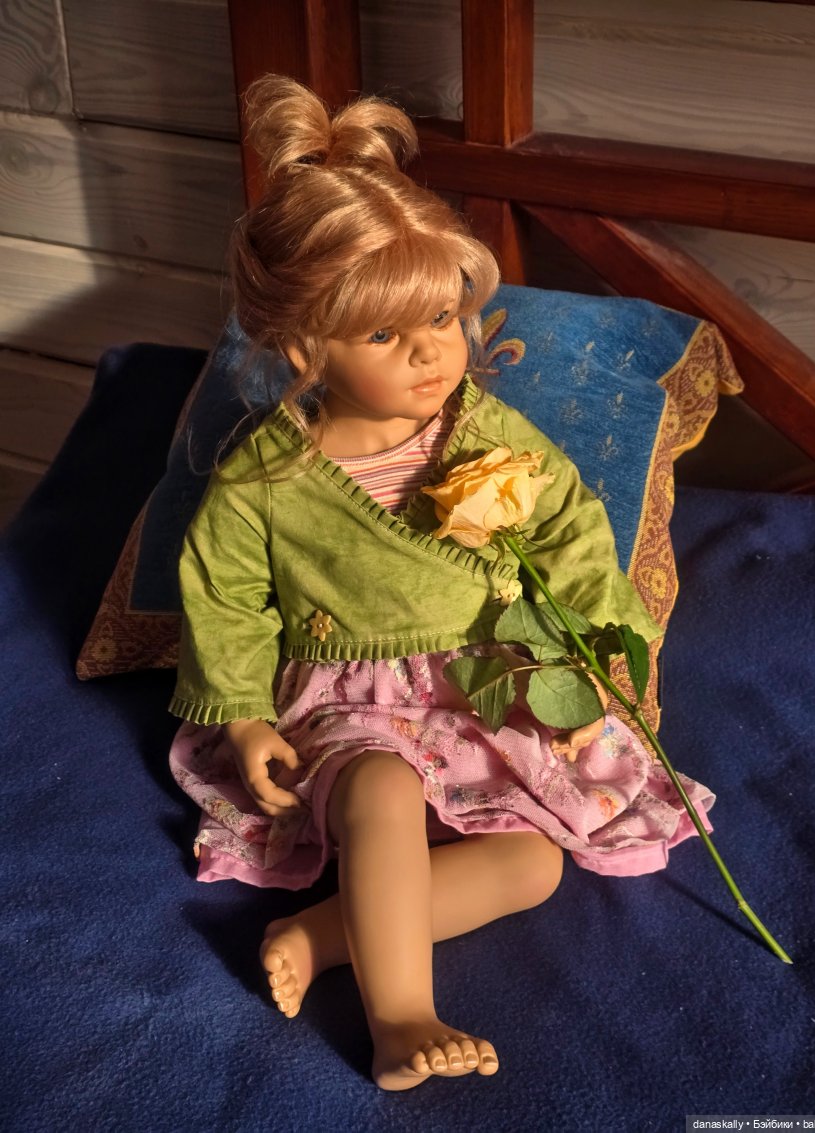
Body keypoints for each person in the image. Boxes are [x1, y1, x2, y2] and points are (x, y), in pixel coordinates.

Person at [168, 75, 715, 1092]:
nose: (431, 351)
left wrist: (597, 656)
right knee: (381, 785)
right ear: (305, 346)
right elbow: (225, 596)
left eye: (442, 315)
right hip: (354, 706)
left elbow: (571, 535)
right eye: (385, 335)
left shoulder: (486, 433)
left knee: (535, 862)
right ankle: (401, 1015)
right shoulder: (266, 477)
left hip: (483, 693)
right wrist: (242, 716)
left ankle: (326, 933)